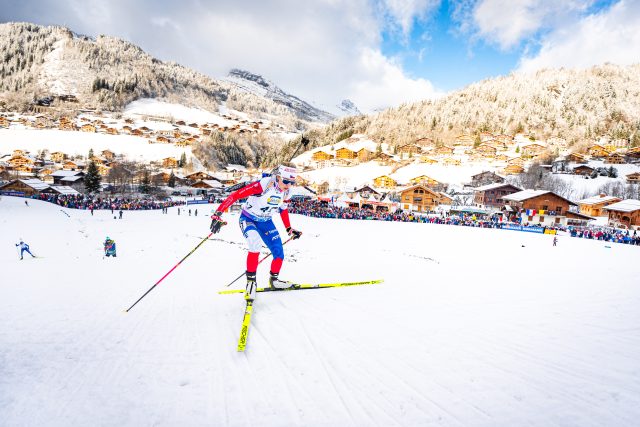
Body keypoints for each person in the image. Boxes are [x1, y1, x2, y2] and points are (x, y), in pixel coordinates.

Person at [209, 164, 302, 301]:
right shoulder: (264, 185)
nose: (288, 185)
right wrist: (218, 214)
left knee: (279, 251)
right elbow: (235, 196)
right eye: (286, 181)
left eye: (292, 182)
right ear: (278, 176)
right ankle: (251, 283)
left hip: (266, 222)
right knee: (255, 244)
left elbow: (283, 209)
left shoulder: (287, 192)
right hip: (248, 218)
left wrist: (289, 228)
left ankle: (274, 280)